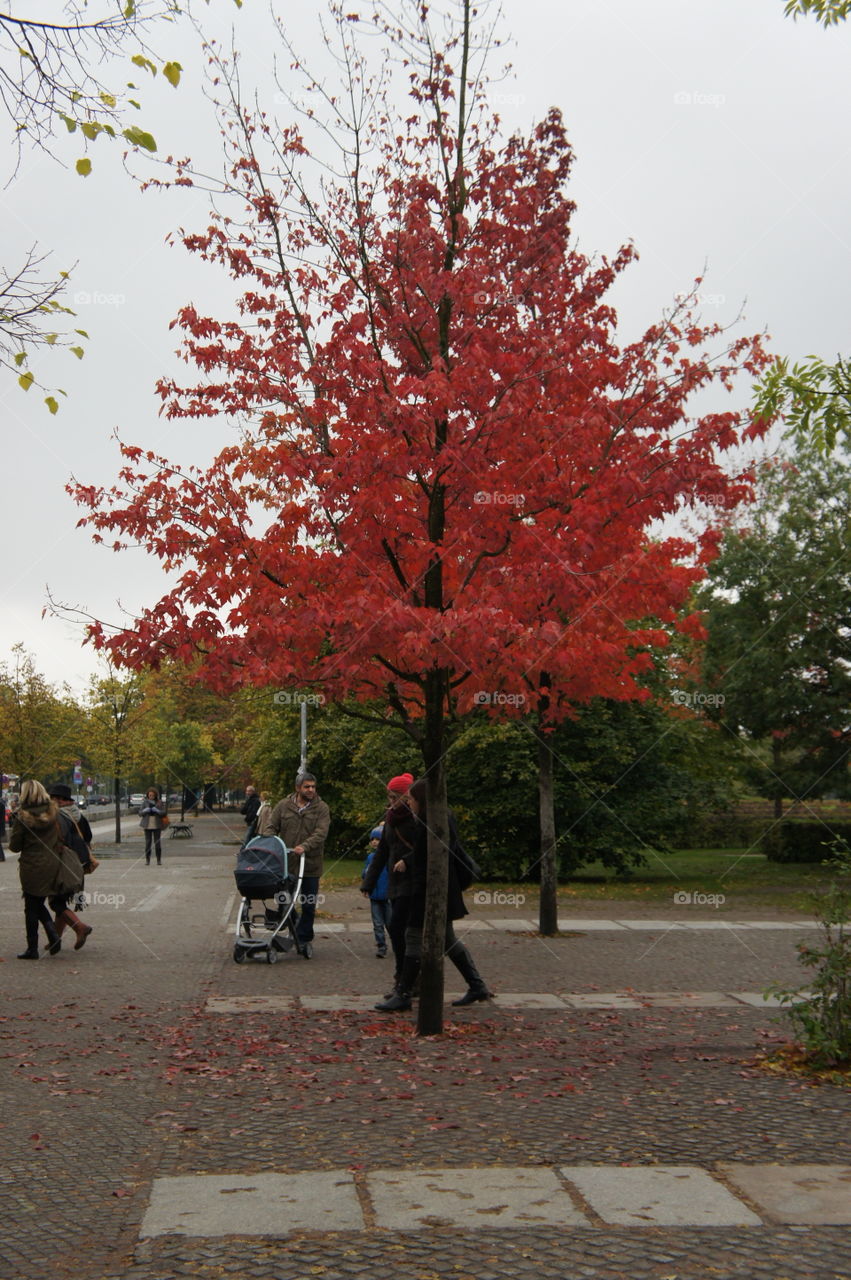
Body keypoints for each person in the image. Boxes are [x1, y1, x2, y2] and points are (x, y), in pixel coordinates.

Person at [375, 777, 492, 1012]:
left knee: (413, 937)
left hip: (431, 891)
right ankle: (476, 985)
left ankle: (405, 993)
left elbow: (427, 859)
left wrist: (418, 890)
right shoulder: (435, 820)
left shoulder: (430, 823)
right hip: (439, 890)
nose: (410, 803)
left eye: (412, 799)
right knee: (446, 938)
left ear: (422, 801)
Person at [9, 780, 84, 958]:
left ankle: (33, 948)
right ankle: (52, 936)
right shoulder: (54, 813)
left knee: (31, 906)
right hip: (53, 864)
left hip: (32, 866)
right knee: (37, 902)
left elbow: (14, 846)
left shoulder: (22, 817)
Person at [361, 773, 416, 994]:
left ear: (406, 796)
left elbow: (427, 847)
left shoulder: (416, 819)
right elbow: (382, 851)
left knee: (398, 927)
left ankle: (404, 979)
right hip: (395, 882)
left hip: (412, 881)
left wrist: (407, 860)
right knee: (400, 929)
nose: (391, 802)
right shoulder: (391, 819)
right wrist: (369, 882)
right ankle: (405, 978)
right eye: (389, 797)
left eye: (395, 797)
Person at [269, 772, 330, 955]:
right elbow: (271, 826)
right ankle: (295, 926)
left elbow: (321, 832)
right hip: (287, 864)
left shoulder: (321, 808)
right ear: (298, 788)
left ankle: (303, 938)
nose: (311, 790)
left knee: (308, 903)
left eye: (313, 786)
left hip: (310, 865)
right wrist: (270, 841)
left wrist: (305, 846)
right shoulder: (283, 806)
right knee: (284, 901)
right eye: (307, 787)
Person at [47, 783, 96, 946]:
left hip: (64, 863)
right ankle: (56, 939)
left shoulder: (58, 816)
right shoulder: (78, 815)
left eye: (52, 798)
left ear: (59, 800)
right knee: (62, 899)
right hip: (79, 864)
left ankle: (79, 928)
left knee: (56, 901)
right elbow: (88, 837)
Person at [362, 826, 390, 958]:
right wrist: (366, 887)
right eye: (372, 839)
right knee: (377, 923)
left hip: (388, 895)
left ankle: (398, 944)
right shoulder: (370, 857)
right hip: (374, 895)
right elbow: (366, 873)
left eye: (378, 839)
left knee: (391, 923)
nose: (374, 842)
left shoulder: (390, 857)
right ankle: (381, 946)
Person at [139, 787, 166, 865]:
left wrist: (157, 811)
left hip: (157, 824)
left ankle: (159, 860)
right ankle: (147, 860)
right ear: (147, 795)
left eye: (153, 795)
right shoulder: (144, 803)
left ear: (155, 795)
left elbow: (164, 813)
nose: (151, 797)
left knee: (157, 843)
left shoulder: (159, 802)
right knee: (148, 843)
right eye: (150, 795)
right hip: (147, 824)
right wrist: (145, 810)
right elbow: (140, 813)